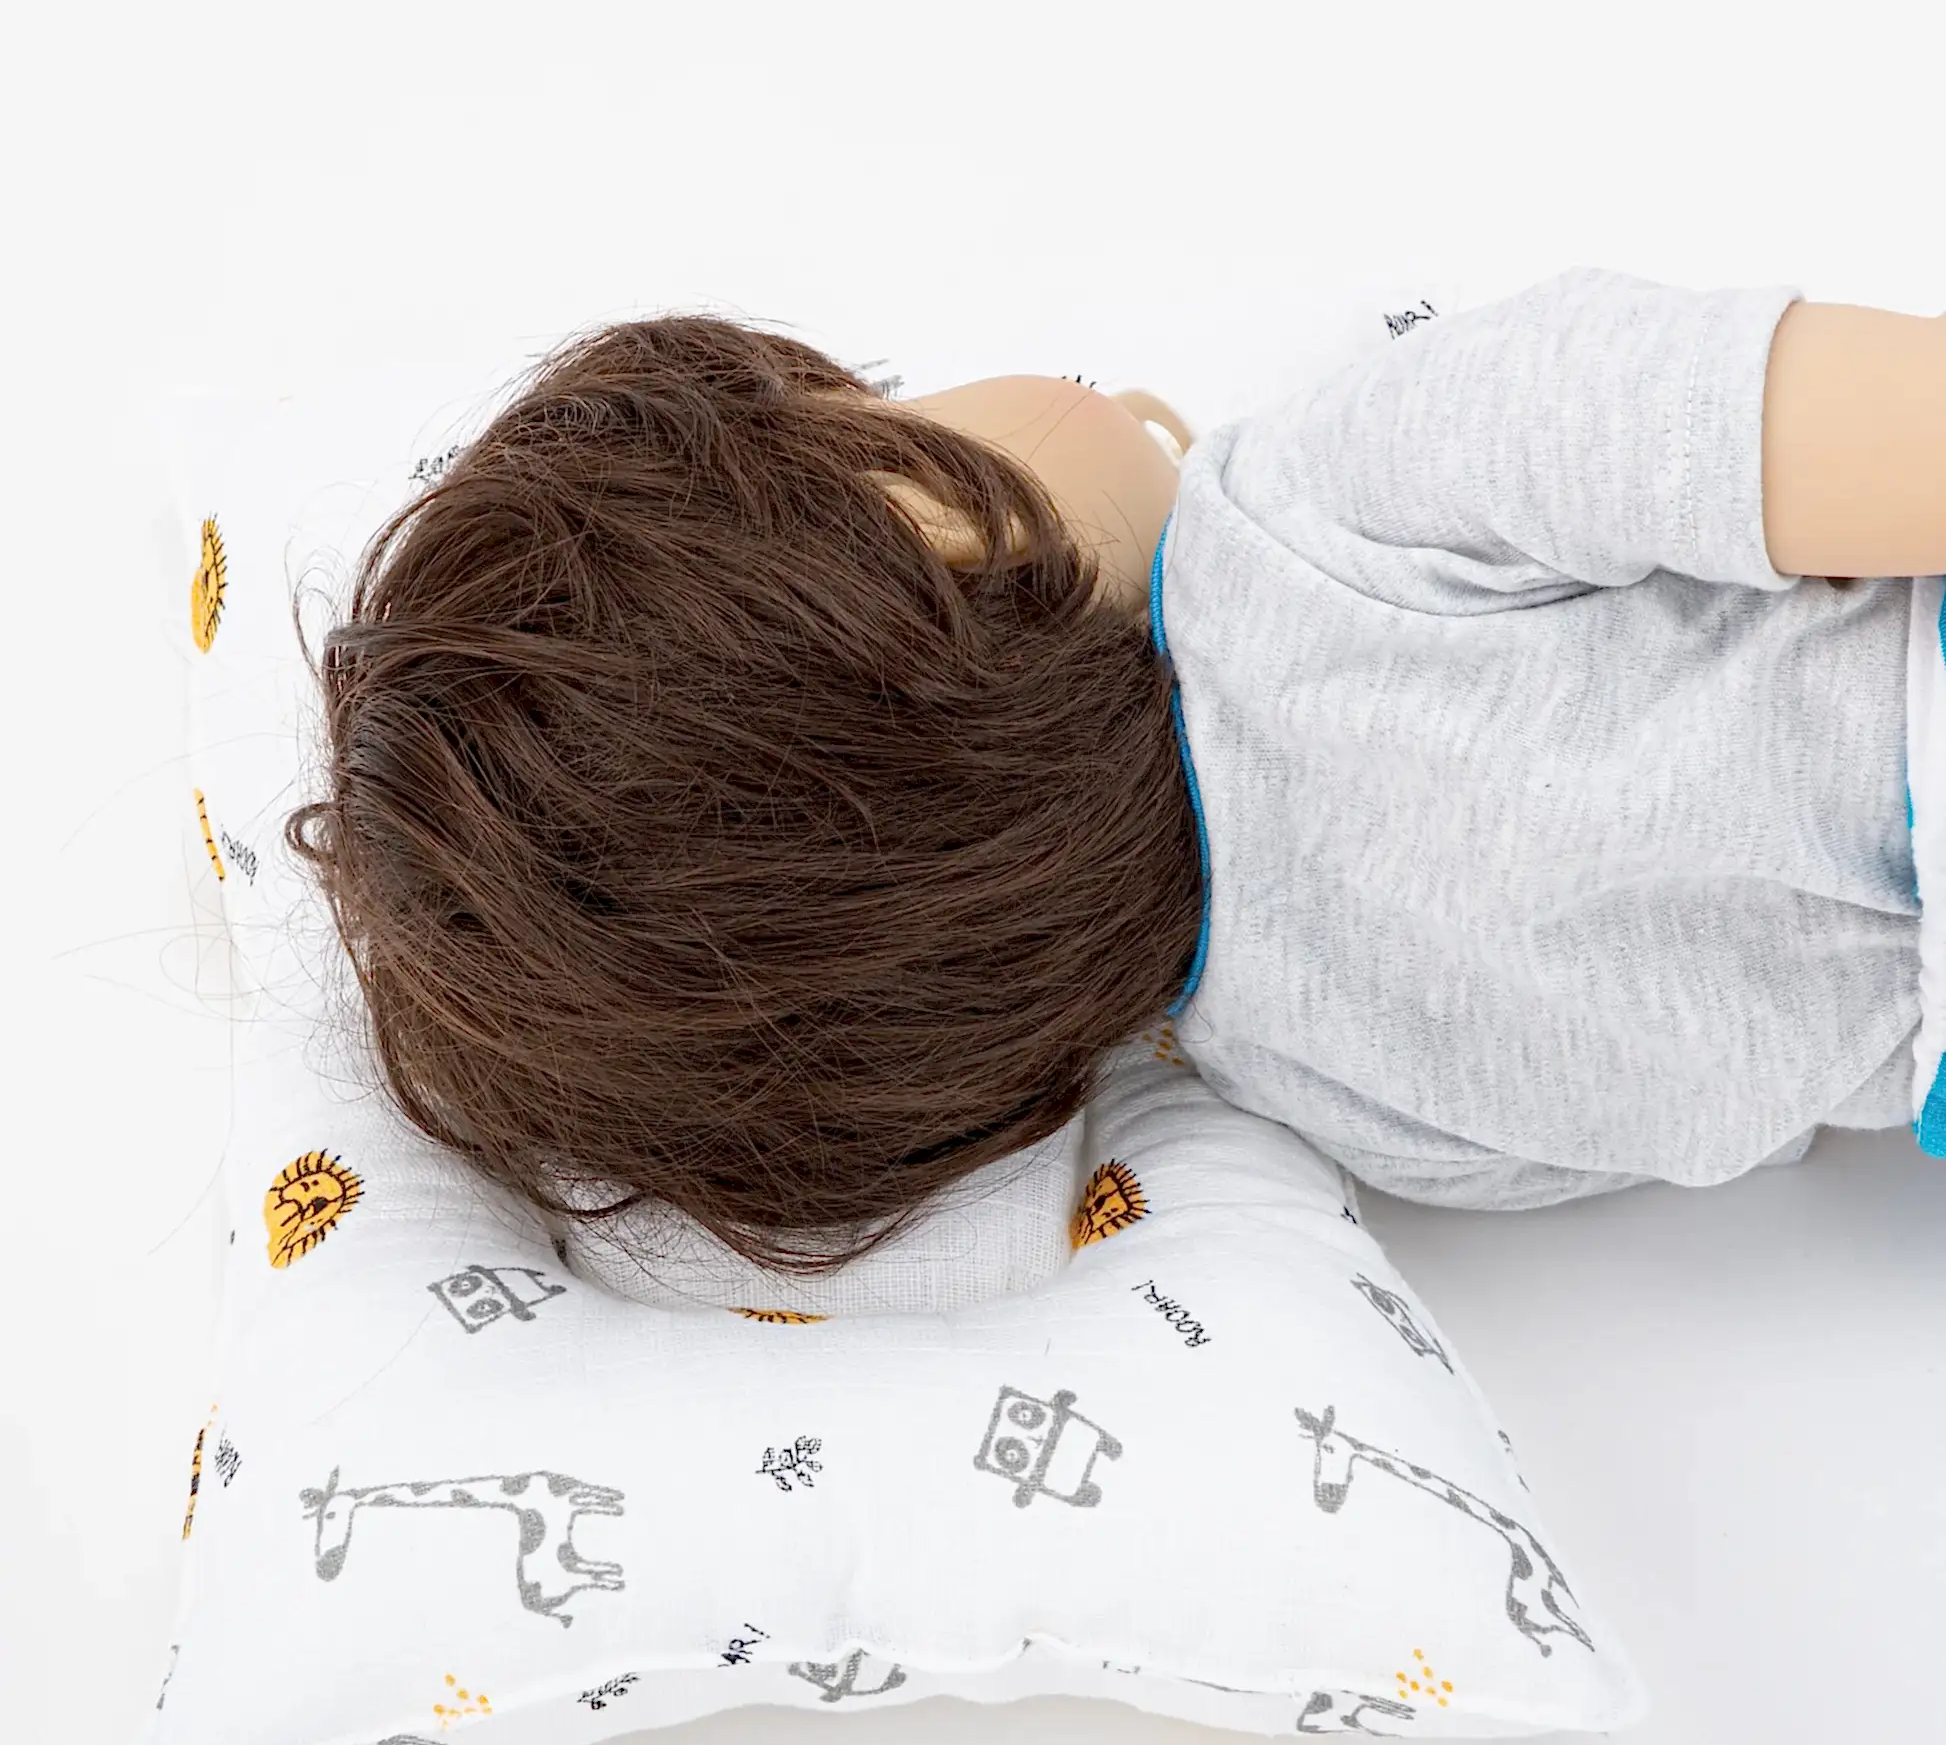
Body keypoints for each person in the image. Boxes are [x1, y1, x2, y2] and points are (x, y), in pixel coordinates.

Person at [286, 266, 1941, 1274]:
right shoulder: (1326, 504)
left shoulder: (1334, 1094)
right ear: (936, 528)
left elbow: (1789, 1105)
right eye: (881, 403)